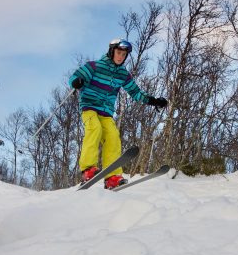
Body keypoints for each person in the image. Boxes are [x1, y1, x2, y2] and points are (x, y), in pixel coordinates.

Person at [69, 38, 168, 189]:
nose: (121, 57)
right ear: (111, 51)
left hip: (106, 112)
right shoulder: (94, 66)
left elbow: (135, 92)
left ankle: (112, 177)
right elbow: (74, 78)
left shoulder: (122, 74)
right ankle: (88, 169)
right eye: (119, 52)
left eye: (124, 54)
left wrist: (153, 101)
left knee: (113, 137)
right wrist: (77, 82)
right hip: (89, 107)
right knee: (95, 128)